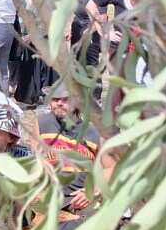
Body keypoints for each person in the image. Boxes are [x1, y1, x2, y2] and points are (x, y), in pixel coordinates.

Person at [36, 82, 111, 212]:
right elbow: (35, 158)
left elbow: (110, 167)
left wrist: (92, 191)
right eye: (55, 99)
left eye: (65, 99)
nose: (59, 103)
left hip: (79, 198)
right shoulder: (41, 123)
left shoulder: (95, 132)